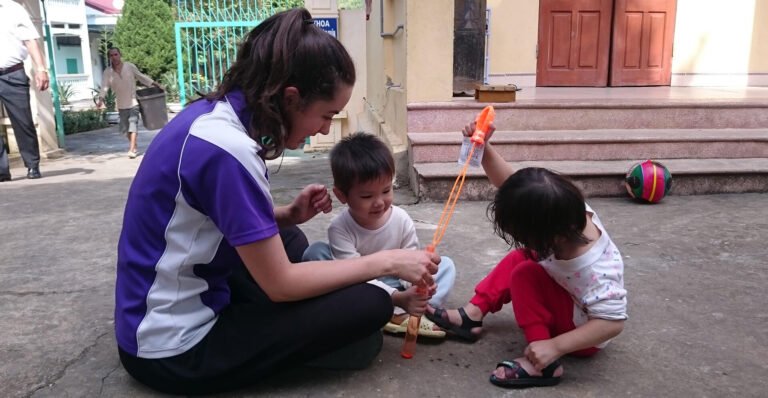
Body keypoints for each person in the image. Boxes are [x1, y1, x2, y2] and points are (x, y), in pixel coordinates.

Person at [114, 8, 440, 395]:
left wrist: (288, 215)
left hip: (155, 309)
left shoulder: (211, 118)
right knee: (371, 305)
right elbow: (281, 284)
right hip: (174, 350)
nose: (324, 127)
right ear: (291, 98)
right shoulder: (228, 152)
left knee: (292, 241)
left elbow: (205, 214)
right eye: (326, 114)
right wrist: (390, 261)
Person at [426, 121, 627, 388]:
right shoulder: (565, 211)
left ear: (549, 235)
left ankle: (542, 362)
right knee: (522, 258)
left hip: (580, 334)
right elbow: (512, 185)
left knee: (524, 274)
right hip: (566, 293)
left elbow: (612, 323)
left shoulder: (598, 270)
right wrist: (484, 149)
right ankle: (472, 315)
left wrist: (554, 346)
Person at [303, 132, 456, 338]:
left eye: (386, 191)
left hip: (397, 283)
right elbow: (348, 274)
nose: (379, 202)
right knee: (316, 253)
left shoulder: (401, 219)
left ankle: (411, 311)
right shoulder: (340, 228)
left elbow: (410, 260)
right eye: (367, 196)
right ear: (341, 195)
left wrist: (416, 288)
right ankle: (396, 312)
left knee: (444, 265)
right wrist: (398, 297)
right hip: (360, 287)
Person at [0, 0, 50, 181]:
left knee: (23, 121)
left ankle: (32, 165)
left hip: (12, 73)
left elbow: (30, 40)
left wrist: (41, 69)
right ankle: (2, 171)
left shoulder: (13, 9)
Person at [97, 47, 161, 158]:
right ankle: (134, 144)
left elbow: (141, 77)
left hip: (133, 102)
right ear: (109, 57)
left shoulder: (129, 66)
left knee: (133, 124)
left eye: (116, 54)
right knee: (126, 129)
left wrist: (156, 85)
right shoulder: (108, 72)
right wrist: (100, 100)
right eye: (111, 55)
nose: (114, 57)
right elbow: (104, 86)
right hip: (121, 104)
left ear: (120, 54)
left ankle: (132, 149)